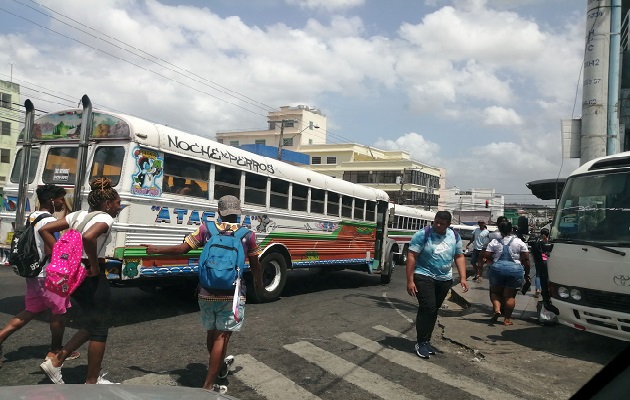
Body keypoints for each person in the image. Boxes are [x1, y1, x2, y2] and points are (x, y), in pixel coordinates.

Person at [142, 195, 263, 394]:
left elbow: (182, 249)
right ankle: (208, 385)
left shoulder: (206, 229)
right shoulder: (247, 235)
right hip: (231, 294)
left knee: (211, 333)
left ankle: (221, 368)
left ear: (219, 212)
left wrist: (156, 249)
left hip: (206, 292)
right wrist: (257, 283)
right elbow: (256, 264)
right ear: (238, 213)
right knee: (222, 337)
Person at [38, 178, 122, 384]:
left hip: (73, 274)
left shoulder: (76, 215)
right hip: (91, 275)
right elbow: (90, 237)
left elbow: (44, 230)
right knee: (100, 328)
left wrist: (58, 252)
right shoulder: (105, 218)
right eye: (118, 203)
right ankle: (91, 381)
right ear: (107, 203)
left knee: (94, 322)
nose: (119, 207)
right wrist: (93, 264)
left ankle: (57, 360)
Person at [0, 185, 80, 367]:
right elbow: (51, 249)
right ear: (52, 200)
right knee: (59, 313)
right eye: (60, 198)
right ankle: (55, 351)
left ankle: (1, 336)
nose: (62, 202)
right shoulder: (49, 221)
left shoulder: (34, 216)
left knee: (31, 310)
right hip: (49, 274)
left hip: (34, 273)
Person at [406, 211, 469, 359]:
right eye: (436, 222)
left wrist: (463, 278)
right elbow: (411, 256)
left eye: (441, 223)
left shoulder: (454, 236)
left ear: (448, 224)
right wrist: (410, 280)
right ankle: (421, 342)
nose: (438, 225)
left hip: (444, 279)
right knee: (427, 307)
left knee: (434, 309)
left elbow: (459, 256)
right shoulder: (422, 234)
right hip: (423, 275)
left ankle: (426, 341)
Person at [479, 220, 530, 326]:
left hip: (497, 269)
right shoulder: (519, 242)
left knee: (495, 293)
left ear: (500, 230)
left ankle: (497, 309)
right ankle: (507, 319)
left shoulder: (495, 242)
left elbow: (486, 255)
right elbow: (526, 260)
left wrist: (492, 262)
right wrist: (527, 274)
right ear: (511, 229)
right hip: (515, 270)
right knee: (509, 296)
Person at [531, 228, 550, 298]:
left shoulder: (537, 242)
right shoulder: (550, 241)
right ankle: (547, 291)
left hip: (539, 261)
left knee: (538, 275)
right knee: (547, 276)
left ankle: (538, 290)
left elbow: (534, 252)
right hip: (548, 261)